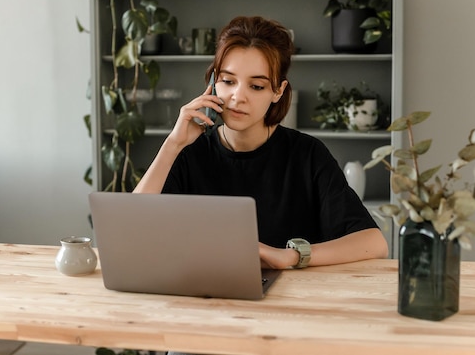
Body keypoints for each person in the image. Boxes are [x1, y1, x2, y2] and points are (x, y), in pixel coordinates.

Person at [134, 15, 388, 270]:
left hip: (289, 299)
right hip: (200, 296)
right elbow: (132, 232)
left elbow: (374, 243)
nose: (238, 97)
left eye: (256, 86)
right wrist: (172, 144)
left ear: (278, 90)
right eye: (228, 81)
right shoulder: (187, 152)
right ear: (212, 82)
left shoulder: (308, 154)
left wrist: (290, 255)